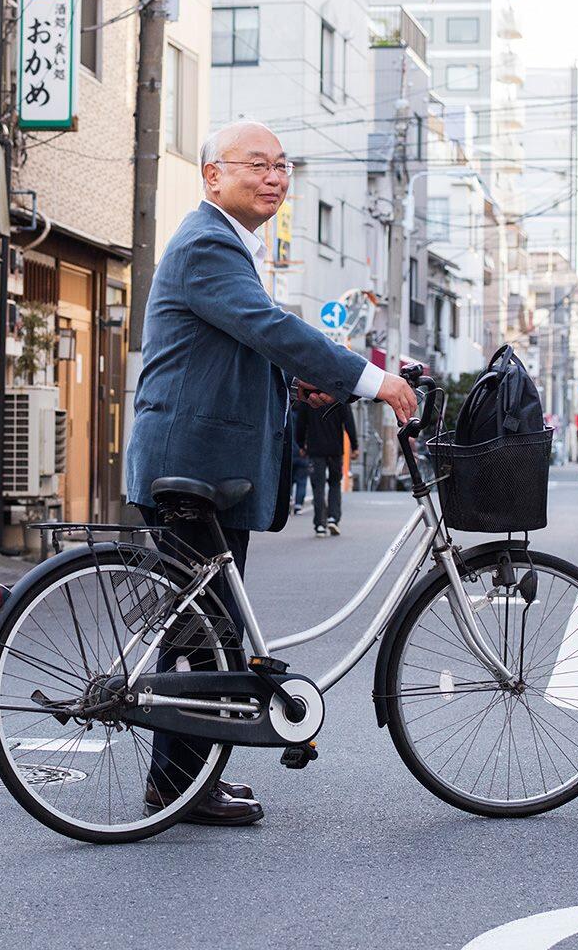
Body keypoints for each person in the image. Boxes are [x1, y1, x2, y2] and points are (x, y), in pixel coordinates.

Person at [126, 120, 418, 827]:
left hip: (203, 459)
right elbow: (270, 329)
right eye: (256, 164)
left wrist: (299, 387)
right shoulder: (207, 244)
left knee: (206, 629)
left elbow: (233, 351)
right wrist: (372, 380)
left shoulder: (227, 245)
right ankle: (178, 786)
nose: (275, 177)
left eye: (282, 166)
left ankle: (183, 781)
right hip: (191, 463)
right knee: (203, 631)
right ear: (212, 176)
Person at [295, 397, 357, 537]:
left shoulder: (309, 396)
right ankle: (333, 518)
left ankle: (320, 525)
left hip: (315, 449)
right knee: (335, 483)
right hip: (335, 449)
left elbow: (301, 422)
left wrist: (300, 444)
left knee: (318, 486)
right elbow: (349, 422)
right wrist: (354, 446)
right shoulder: (339, 395)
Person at [290, 440, 310, 516]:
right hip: (302, 458)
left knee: (288, 482)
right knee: (301, 483)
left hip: (290, 456)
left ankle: (288, 501)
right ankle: (298, 505)